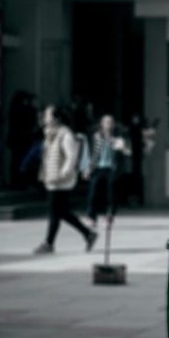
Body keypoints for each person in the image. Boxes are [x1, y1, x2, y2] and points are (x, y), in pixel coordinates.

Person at [34, 105, 98, 254]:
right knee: (61, 211)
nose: (45, 117)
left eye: (47, 115)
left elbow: (71, 156)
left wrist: (63, 174)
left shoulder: (65, 134)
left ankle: (49, 243)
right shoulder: (50, 133)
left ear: (56, 118)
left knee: (55, 211)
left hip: (61, 180)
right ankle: (88, 234)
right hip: (52, 177)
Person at [84, 113, 129, 230]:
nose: (108, 125)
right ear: (102, 124)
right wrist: (89, 168)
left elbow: (127, 152)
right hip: (99, 167)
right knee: (93, 191)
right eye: (106, 122)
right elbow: (94, 154)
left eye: (110, 122)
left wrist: (122, 147)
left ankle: (109, 216)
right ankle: (91, 217)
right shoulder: (97, 136)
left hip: (111, 168)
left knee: (111, 193)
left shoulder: (118, 137)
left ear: (113, 125)